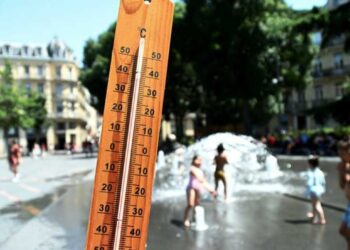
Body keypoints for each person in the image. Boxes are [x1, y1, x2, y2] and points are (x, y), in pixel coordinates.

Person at [183, 155, 216, 227]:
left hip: (198, 189)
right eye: (198, 159)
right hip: (191, 188)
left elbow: (203, 181)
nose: (200, 161)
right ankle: (186, 219)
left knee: (197, 204)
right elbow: (200, 180)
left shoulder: (200, 170)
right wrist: (210, 189)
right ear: (193, 160)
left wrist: (211, 190)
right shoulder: (192, 168)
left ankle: (195, 218)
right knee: (190, 204)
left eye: (201, 160)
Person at [305, 155, 326, 224]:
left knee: (317, 205)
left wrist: (306, 191)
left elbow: (309, 183)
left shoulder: (310, 172)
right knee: (315, 204)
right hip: (319, 190)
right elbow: (323, 182)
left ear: (310, 164)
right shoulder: (320, 172)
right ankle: (314, 218)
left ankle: (322, 219)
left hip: (313, 190)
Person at [337, 138, 350, 249]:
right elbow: (342, 186)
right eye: (339, 151)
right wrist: (342, 172)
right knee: (343, 230)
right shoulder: (343, 165)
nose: (340, 154)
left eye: (343, 152)